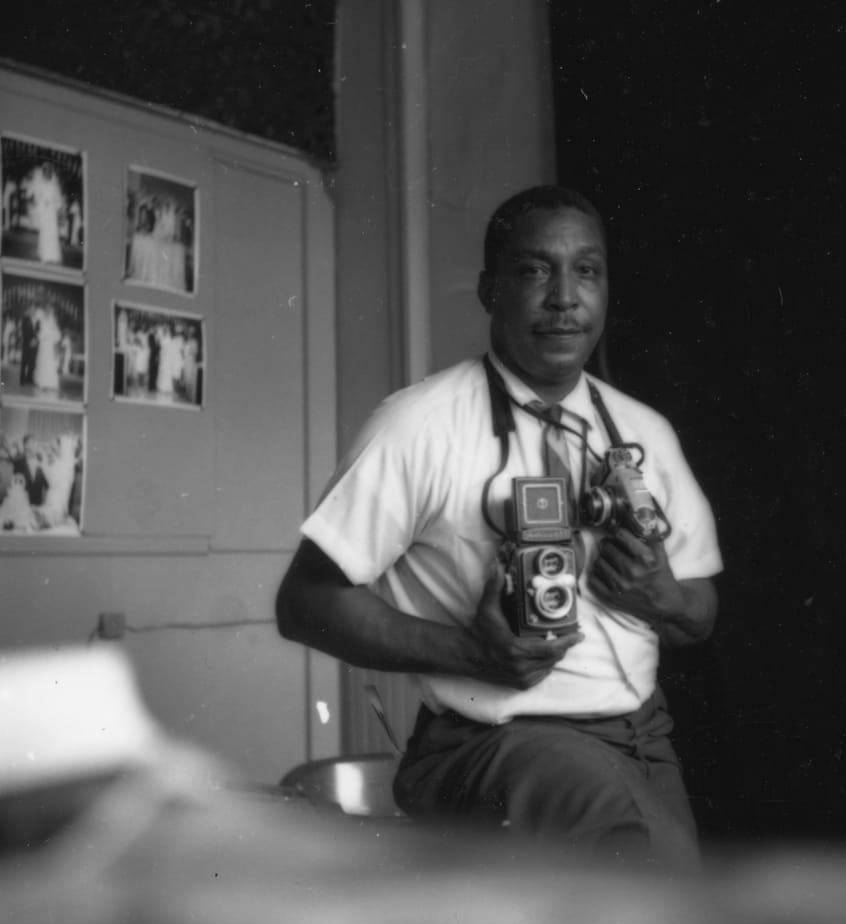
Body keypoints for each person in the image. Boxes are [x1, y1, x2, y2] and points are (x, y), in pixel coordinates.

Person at [275, 186, 723, 870]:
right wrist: (469, 654)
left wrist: (659, 594)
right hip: (497, 739)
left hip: (641, 735)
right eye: (535, 270)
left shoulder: (644, 433)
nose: (565, 297)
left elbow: (700, 614)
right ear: (490, 290)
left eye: (588, 271)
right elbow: (303, 604)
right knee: (646, 861)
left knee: (677, 892)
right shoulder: (420, 424)